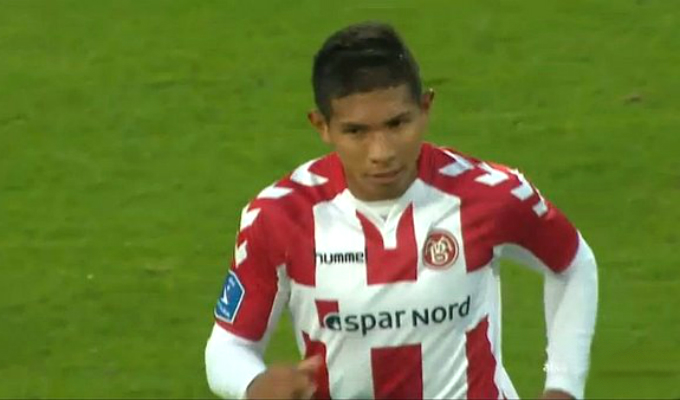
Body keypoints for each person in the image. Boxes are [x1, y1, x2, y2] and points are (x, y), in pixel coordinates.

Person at [204, 21, 598, 400]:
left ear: (425, 108)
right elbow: (228, 345)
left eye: (397, 124)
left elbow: (573, 264)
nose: (382, 152)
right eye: (356, 131)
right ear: (321, 125)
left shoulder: (489, 195)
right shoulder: (280, 217)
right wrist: (252, 385)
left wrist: (563, 387)